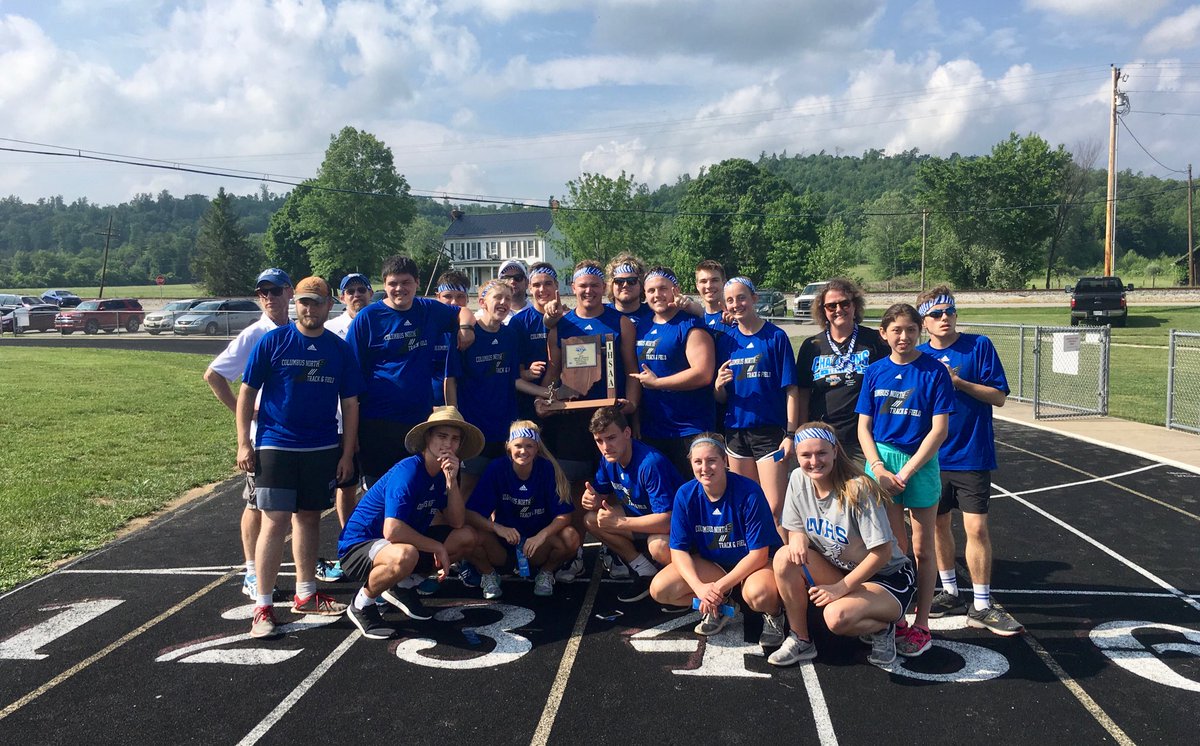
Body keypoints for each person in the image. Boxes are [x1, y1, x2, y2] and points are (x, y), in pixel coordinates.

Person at [236, 276, 359, 638]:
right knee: (274, 521)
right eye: (303, 302)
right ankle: (262, 606)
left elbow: (350, 404)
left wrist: (347, 452)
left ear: (328, 306)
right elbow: (246, 394)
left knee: (307, 519)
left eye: (316, 303)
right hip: (275, 445)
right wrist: (244, 442)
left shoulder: (339, 349)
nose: (309, 308)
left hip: (321, 447)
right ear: (295, 304)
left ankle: (306, 594)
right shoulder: (273, 341)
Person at [916, 287, 1022, 636]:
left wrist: (958, 382)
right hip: (931, 457)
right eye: (935, 314)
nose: (944, 318)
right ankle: (948, 591)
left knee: (976, 528)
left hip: (971, 454)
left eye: (949, 311)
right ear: (924, 322)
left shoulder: (979, 346)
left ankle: (982, 603)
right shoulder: (917, 355)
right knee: (938, 526)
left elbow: (999, 397)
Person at [770, 424, 916, 668]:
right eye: (806, 455)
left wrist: (840, 588)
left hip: (887, 577)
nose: (814, 461)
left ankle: (884, 627)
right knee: (784, 557)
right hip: (844, 568)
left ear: (835, 451)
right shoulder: (797, 479)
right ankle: (801, 638)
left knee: (836, 618)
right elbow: (794, 527)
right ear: (797, 455)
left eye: (821, 453)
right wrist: (796, 539)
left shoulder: (858, 489)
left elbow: (882, 553)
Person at [856, 303, 955, 658]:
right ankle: (896, 617)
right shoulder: (875, 371)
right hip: (882, 461)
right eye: (896, 330)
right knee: (890, 549)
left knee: (922, 548)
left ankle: (922, 623)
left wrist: (907, 471)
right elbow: (864, 427)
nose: (903, 336)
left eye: (910, 330)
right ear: (884, 334)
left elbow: (939, 430)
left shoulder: (934, 372)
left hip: (919, 463)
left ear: (920, 332)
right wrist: (879, 468)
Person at [337, 407, 483, 640]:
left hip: (398, 544)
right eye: (442, 436)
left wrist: (451, 481)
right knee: (406, 555)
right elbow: (392, 530)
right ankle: (361, 603)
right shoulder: (409, 471)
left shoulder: (446, 472)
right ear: (428, 438)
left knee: (467, 537)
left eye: (455, 439)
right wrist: (437, 547)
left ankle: (402, 586)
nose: (448, 444)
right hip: (359, 546)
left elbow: (457, 521)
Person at [202, 267, 294, 598]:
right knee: (256, 505)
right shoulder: (255, 335)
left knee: (290, 509)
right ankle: (252, 572)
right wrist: (245, 415)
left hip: (292, 437)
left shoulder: (297, 330)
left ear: (289, 292)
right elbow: (213, 375)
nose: (269, 297)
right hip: (264, 438)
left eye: (275, 290)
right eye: (262, 292)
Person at [347, 255, 475, 487]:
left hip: (418, 422)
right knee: (379, 492)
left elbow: (462, 311)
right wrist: (352, 434)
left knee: (415, 488)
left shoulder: (428, 309)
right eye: (393, 283)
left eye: (405, 282)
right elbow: (350, 381)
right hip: (377, 422)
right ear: (384, 284)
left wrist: (465, 328)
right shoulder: (368, 318)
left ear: (417, 282)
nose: (399, 289)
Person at [649, 434, 785, 649]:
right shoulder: (685, 494)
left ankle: (775, 614)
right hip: (715, 565)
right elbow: (678, 550)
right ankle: (722, 606)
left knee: (760, 595)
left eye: (711, 460)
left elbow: (759, 554)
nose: (705, 467)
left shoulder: (749, 492)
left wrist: (717, 588)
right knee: (660, 589)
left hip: (754, 565)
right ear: (691, 464)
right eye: (698, 462)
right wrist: (700, 588)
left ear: (725, 461)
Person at [448, 279, 548, 500]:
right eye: (498, 298)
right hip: (474, 426)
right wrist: (455, 417)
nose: (503, 303)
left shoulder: (509, 335)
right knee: (467, 487)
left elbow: (514, 379)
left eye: (508, 299)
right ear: (482, 302)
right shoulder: (467, 334)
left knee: (499, 487)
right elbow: (452, 380)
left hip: (504, 425)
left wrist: (547, 393)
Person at [463, 421, 581, 599]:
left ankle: (546, 572)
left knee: (571, 536)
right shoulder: (497, 468)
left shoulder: (547, 469)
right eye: (518, 445)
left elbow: (564, 516)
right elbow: (471, 514)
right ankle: (488, 573)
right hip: (502, 544)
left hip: (535, 547)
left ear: (537, 448)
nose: (523, 451)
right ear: (508, 446)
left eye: (529, 446)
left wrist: (541, 535)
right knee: (466, 535)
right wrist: (497, 528)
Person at [714, 276, 799, 520]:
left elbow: (791, 389)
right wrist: (718, 386)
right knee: (747, 505)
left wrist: (791, 434)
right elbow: (720, 398)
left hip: (769, 432)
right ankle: (759, 558)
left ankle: (783, 557)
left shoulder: (775, 337)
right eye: (730, 300)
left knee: (774, 507)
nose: (736, 304)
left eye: (741, 297)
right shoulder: (727, 341)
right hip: (736, 433)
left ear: (754, 298)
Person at [581, 406, 683, 602]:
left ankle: (683, 583)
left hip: (677, 529)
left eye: (611, 438)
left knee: (658, 545)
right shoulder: (608, 459)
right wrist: (591, 499)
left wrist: (619, 523)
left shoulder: (650, 464)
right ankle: (644, 569)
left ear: (627, 433)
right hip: (640, 518)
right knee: (592, 519)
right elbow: (599, 494)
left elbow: (668, 520)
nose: (605, 447)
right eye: (599, 441)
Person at [629, 267, 716, 477]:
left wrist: (658, 383)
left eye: (662, 289)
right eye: (651, 291)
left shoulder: (690, 325)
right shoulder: (641, 326)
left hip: (690, 428)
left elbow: (703, 373)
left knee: (694, 492)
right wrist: (637, 419)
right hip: (653, 429)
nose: (656, 295)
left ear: (675, 290)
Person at [316, 272, 374, 582]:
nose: (356, 295)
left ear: (371, 292)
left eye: (361, 289)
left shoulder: (379, 320)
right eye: (350, 291)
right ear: (341, 297)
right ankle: (349, 546)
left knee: (377, 484)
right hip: (341, 420)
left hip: (377, 417)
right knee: (346, 485)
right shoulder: (331, 330)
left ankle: (378, 543)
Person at [796, 278, 890, 462]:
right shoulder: (811, 346)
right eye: (831, 306)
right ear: (823, 311)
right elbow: (803, 394)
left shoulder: (875, 341)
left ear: (854, 306)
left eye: (845, 303)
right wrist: (802, 433)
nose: (839, 310)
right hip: (823, 439)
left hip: (863, 439)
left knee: (862, 490)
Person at [507, 262, 560, 421]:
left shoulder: (570, 318)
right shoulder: (519, 322)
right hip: (528, 403)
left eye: (548, 284)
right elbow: (513, 374)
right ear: (530, 288)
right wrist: (527, 373)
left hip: (565, 399)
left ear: (556, 285)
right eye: (537, 285)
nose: (542, 289)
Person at [432, 270, 471, 407]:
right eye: (448, 296)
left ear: (467, 298)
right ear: (438, 297)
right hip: (433, 405)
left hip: (469, 402)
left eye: (460, 296)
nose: (454, 302)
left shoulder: (476, 328)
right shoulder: (429, 329)